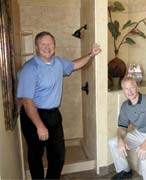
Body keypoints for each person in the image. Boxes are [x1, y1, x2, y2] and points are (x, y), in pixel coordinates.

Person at [17, 31, 101, 179]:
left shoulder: (58, 62)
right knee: (36, 155)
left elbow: (75, 64)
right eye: (43, 44)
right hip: (33, 115)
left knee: (58, 155)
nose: (47, 47)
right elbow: (27, 101)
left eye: (50, 44)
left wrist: (91, 54)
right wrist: (39, 126)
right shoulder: (29, 69)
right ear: (36, 47)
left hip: (53, 114)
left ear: (54, 46)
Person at [108, 77, 146, 180]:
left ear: (136, 87)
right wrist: (120, 139)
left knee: (145, 153)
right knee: (113, 142)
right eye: (126, 89)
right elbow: (122, 127)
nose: (129, 91)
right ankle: (125, 171)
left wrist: (145, 145)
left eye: (131, 87)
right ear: (123, 90)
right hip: (139, 133)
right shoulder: (125, 106)